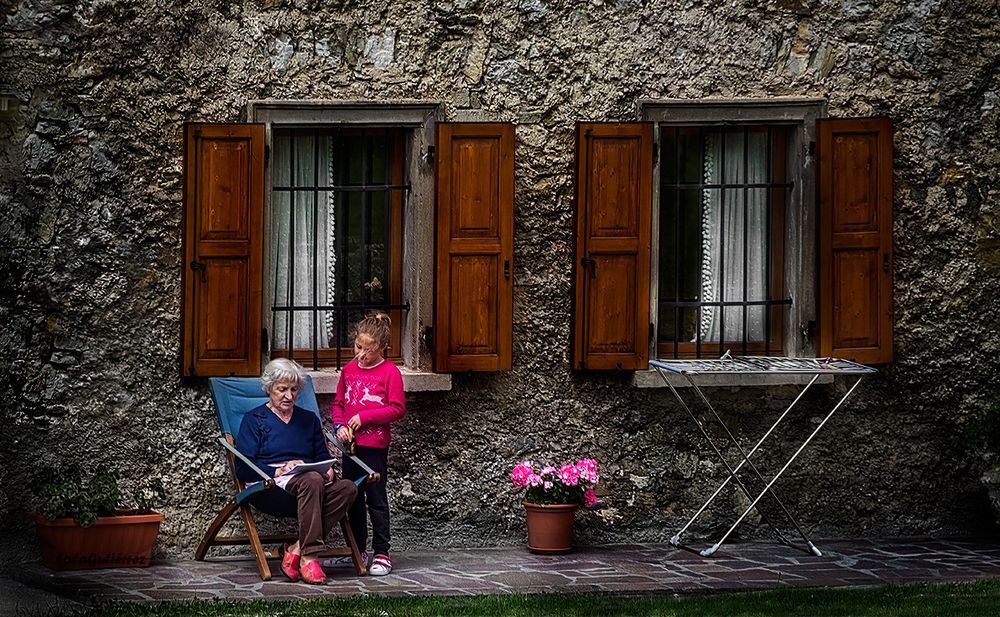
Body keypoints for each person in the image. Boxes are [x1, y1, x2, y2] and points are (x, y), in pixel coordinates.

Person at [235, 358, 357, 584]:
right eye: (282, 389)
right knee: (311, 479)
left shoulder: (308, 419)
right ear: (269, 389)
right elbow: (243, 467)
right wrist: (279, 470)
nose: (289, 396)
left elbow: (321, 456)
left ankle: (296, 549)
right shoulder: (254, 419)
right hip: (270, 488)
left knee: (347, 488)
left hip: (310, 483)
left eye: (293, 390)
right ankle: (310, 557)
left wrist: (328, 470)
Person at [331, 312, 406, 576]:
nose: (361, 355)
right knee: (353, 497)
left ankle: (382, 552)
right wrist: (339, 426)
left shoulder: (390, 372)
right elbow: (338, 404)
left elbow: (397, 409)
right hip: (350, 447)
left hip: (374, 446)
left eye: (369, 350)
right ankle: (357, 548)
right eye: (358, 347)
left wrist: (365, 417)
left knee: (376, 497)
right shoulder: (349, 370)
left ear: (382, 348)